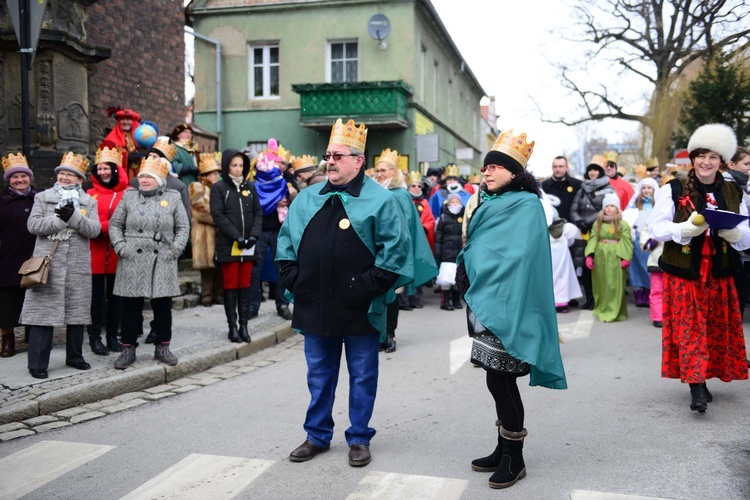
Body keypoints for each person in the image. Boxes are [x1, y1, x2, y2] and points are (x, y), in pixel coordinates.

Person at [277, 118, 414, 468]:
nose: (330, 161)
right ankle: (317, 435)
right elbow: (285, 248)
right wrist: (298, 283)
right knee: (319, 375)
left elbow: (394, 253)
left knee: (363, 374)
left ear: (358, 161)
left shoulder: (381, 201)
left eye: (338, 155)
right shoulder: (306, 198)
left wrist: (362, 289)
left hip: (359, 307)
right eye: (328, 155)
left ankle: (358, 437)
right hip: (315, 304)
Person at [457, 129, 566, 490]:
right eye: (485, 167)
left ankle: (514, 458)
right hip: (489, 299)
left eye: (493, 167)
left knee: (502, 380)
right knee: (494, 377)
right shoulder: (490, 200)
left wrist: (480, 261)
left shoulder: (526, 204)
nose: (486, 173)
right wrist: (468, 263)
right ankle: (502, 447)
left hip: (512, 304)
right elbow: (479, 244)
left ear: (513, 172)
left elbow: (520, 256)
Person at [650, 123, 749, 413]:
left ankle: (704, 378)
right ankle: (696, 386)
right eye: (701, 156)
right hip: (685, 274)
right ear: (693, 159)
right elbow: (656, 228)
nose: (706, 162)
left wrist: (735, 235)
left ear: (722, 162)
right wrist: (684, 228)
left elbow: (747, 232)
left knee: (714, 328)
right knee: (690, 328)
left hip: (719, 272)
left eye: (713, 157)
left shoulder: (733, 190)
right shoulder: (673, 188)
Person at [21, 153, 101, 379]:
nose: (65, 177)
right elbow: (33, 225)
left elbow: (94, 230)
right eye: (62, 173)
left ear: (80, 179)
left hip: (77, 263)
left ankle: (75, 357)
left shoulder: (89, 202)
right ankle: (37, 363)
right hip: (48, 262)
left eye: (71, 174)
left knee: (77, 311)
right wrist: (59, 220)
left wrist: (75, 217)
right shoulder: (43, 197)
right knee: (42, 313)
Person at [108, 157, 189, 369]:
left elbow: (183, 227)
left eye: (149, 177)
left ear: (160, 179)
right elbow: (115, 224)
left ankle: (162, 346)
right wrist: (121, 247)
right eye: (142, 176)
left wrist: (176, 249)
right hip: (132, 256)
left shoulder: (173, 197)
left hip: (162, 255)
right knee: (131, 307)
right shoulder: (129, 196)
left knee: (162, 306)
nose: (144, 180)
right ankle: (128, 348)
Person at [373, 149, 437, 351]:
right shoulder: (373, 192)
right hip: (374, 252)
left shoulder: (401, 194)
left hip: (394, 253)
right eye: (377, 170)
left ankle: (390, 333)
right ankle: (377, 333)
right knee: (377, 294)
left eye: (383, 170)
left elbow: (407, 226)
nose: (379, 174)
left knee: (392, 294)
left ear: (393, 172)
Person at [210, 149, 262, 343]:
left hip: (249, 245)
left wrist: (254, 235)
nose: (238, 169)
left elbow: (258, 213)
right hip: (229, 245)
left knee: (245, 285)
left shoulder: (251, 187)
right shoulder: (219, 188)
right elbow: (218, 216)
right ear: (226, 166)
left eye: (241, 165)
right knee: (231, 286)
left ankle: (244, 326)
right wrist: (236, 236)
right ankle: (232, 327)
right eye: (234, 165)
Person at [86, 144, 130, 355]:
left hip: (117, 254)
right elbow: (86, 222)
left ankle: (113, 336)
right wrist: (109, 226)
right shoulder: (89, 193)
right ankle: (94, 337)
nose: (103, 172)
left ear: (115, 170)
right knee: (94, 299)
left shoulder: (127, 193)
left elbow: (129, 221)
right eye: (100, 168)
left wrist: (105, 227)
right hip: (93, 253)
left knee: (116, 299)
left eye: (107, 168)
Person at [248, 139, 294, 320]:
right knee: (254, 270)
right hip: (258, 231)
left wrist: (289, 198)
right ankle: (253, 306)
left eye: (279, 163)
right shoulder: (253, 183)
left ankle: (282, 304)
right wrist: (274, 201)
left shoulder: (286, 180)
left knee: (281, 268)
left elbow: (295, 195)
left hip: (279, 231)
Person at [0, 154, 37, 358]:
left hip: (35, 257)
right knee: (7, 301)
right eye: (15, 177)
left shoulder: (39, 197)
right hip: (8, 257)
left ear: (29, 177)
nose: (20, 180)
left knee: (33, 296)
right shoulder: (1, 200)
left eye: (23, 175)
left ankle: (34, 337)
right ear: (9, 179)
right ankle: (8, 339)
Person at [570, 163, 616, 310]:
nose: (592, 173)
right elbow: (574, 208)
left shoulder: (607, 189)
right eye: (590, 170)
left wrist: (588, 221)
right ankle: (588, 298)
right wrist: (578, 221)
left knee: (599, 267)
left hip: (600, 231)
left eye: (595, 170)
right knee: (585, 267)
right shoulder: (582, 189)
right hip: (583, 233)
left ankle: (599, 299)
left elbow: (607, 209)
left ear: (600, 172)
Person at [584, 193, 633, 322]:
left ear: (617, 208)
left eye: (612, 206)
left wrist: (625, 257)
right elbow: (593, 238)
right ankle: (602, 307)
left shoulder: (623, 224)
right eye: (607, 206)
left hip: (615, 255)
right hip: (601, 255)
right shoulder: (598, 223)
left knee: (613, 284)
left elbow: (626, 241)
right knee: (601, 282)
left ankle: (614, 310)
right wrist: (590, 255)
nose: (609, 208)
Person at [190, 153, 224, 307]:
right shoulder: (197, 187)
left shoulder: (220, 189)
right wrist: (221, 219)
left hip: (219, 233)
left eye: (218, 173)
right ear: (205, 175)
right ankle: (207, 296)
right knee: (207, 266)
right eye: (214, 173)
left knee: (219, 264)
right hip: (205, 233)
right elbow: (200, 209)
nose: (217, 176)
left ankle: (218, 295)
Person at [722, 146, 750, 317]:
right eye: (746, 163)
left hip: (741, 246)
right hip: (731, 248)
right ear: (731, 164)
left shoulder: (740, 184)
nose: (749, 167)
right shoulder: (728, 186)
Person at [624, 178, 659, 308]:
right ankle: (639, 291)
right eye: (644, 188)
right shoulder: (634, 204)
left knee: (649, 266)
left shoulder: (658, 204)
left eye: (649, 188)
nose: (646, 191)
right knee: (636, 266)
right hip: (637, 239)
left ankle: (650, 291)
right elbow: (627, 217)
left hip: (653, 239)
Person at [406, 170, 435, 308]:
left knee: (418, 269)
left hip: (420, 240)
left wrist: (423, 228)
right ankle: (404, 301)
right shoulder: (405, 200)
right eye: (413, 186)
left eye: (419, 186)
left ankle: (416, 299)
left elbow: (430, 219)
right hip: (407, 240)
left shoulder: (425, 202)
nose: (417, 188)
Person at [435, 193, 464, 311]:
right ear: (448, 203)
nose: (455, 204)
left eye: (457, 202)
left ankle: (456, 300)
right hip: (447, 254)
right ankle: (445, 302)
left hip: (459, 253)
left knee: (457, 278)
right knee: (446, 279)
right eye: (453, 202)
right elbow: (438, 237)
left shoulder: (463, 217)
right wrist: (438, 252)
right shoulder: (443, 218)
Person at [548, 218, 583, 313]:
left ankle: (553, 302)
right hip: (563, 257)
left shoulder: (543, 231)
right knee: (564, 277)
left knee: (551, 277)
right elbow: (571, 241)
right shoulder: (567, 229)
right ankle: (563, 302)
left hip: (550, 257)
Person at [103, 107, 141, 181]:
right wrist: (126, 157)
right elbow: (107, 160)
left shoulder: (139, 137)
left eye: (128, 119)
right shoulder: (110, 140)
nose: (125, 122)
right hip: (121, 176)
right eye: (122, 119)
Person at [639, 218, 665, 327]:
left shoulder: (677, 214)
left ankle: (672, 315)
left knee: (673, 291)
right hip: (656, 260)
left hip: (674, 260)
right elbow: (645, 233)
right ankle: (658, 316)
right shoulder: (652, 219)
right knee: (657, 290)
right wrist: (648, 243)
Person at [541, 156, 581, 221]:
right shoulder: (544, 186)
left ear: (567, 168)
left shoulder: (577, 185)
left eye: (560, 166)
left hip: (572, 225)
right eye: (555, 166)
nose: (557, 169)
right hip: (551, 226)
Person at [170, 124, 200, 188]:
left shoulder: (193, 149)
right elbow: (172, 164)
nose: (188, 134)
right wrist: (189, 169)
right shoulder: (173, 147)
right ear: (178, 134)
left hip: (194, 181)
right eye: (185, 132)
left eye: (190, 133)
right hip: (182, 180)